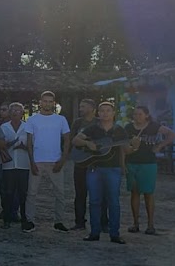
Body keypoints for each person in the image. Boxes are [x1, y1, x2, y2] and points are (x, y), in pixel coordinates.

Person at [73, 101, 129, 244]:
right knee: (94, 201)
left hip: (113, 169)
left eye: (108, 110)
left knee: (114, 202)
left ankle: (114, 234)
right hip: (94, 168)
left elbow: (126, 149)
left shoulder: (119, 130)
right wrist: (88, 143)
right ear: (98, 113)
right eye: (102, 110)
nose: (105, 113)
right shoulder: (92, 129)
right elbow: (75, 140)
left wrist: (134, 146)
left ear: (113, 113)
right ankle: (94, 232)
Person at [124, 105, 175, 235]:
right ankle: (135, 223)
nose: (137, 117)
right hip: (132, 162)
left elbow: (172, 134)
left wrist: (160, 146)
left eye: (140, 114)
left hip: (148, 163)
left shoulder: (153, 126)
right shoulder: (128, 128)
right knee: (134, 192)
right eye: (135, 114)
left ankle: (150, 224)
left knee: (148, 193)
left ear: (146, 115)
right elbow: (123, 145)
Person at [25, 90, 71, 233]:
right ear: (40, 102)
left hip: (55, 160)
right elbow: (29, 142)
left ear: (54, 103)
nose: (47, 104)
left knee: (60, 193)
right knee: (32, 193)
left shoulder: (61, 119)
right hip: (37, 161)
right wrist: (32, 162)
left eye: (50, 101)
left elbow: (67, 140)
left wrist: (63, 159)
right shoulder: (32, 119)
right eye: (45, 101)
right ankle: (30, 221)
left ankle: (59, 221)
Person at [70, 98, 99, 230]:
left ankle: (102, 222)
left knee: (99, 194)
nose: (80, 109)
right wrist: (87, 142)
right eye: (80, 106)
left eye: (83, 107)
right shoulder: (77, 123)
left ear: (92, 108)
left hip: (97, 162)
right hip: (80, 161)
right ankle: (79, 222)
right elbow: (73, 140)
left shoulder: (100, 123)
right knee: (80, 193)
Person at [1, 102, 29, 229]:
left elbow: (34, 145)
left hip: (24, 164)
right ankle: (7, 219)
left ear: (22, 113)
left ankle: (24, 218)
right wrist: (11, 143)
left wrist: (25, 147)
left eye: (18, 110)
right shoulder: (3, 127)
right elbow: (1, 145)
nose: (15, 113)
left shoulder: (28, 127)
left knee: (23, 193)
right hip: (8, 165)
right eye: (12, 110)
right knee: (8, 192)